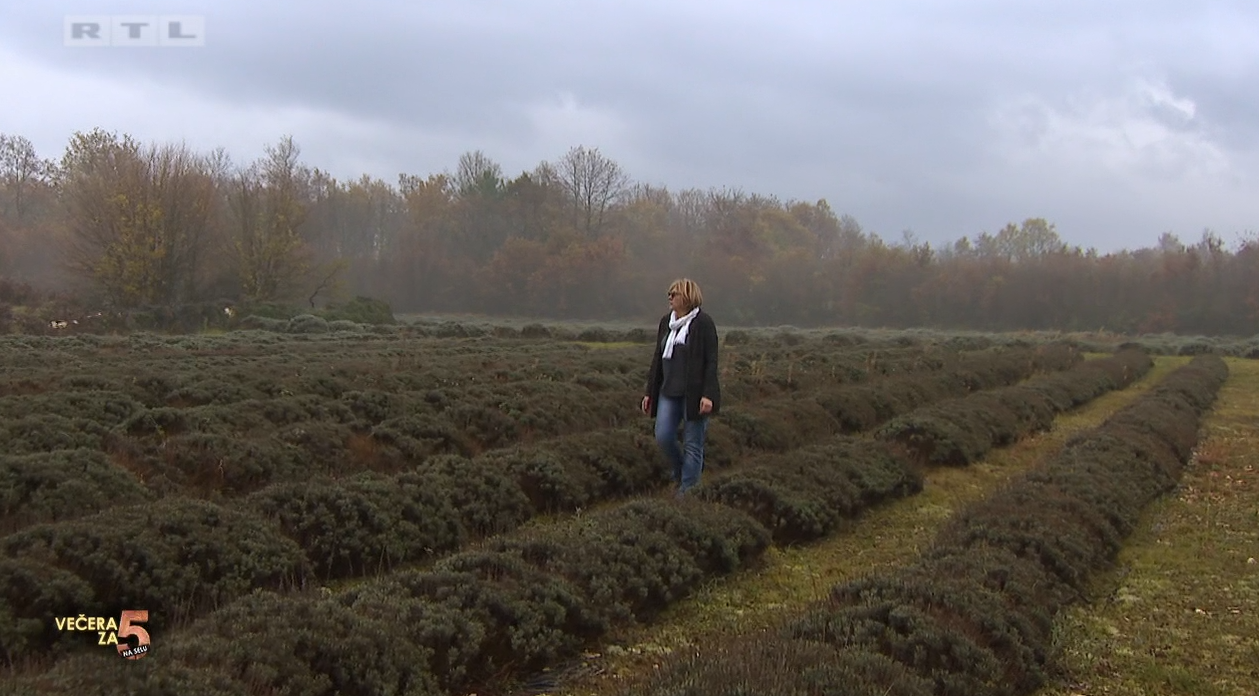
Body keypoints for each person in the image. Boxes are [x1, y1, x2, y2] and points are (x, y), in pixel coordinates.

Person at [641, 278, 721, 497]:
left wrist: (708, 395)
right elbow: (658, 359)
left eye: (674, 294)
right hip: (668, 391)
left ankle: (687, 491)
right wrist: (650, 392)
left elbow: (711, 361)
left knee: (693, 444)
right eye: (669, 293)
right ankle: (680, 472)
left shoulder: (703, 323)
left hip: (693, 394)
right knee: (663, 436)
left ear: (687, 297)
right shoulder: (666, 322)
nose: (669, 297)